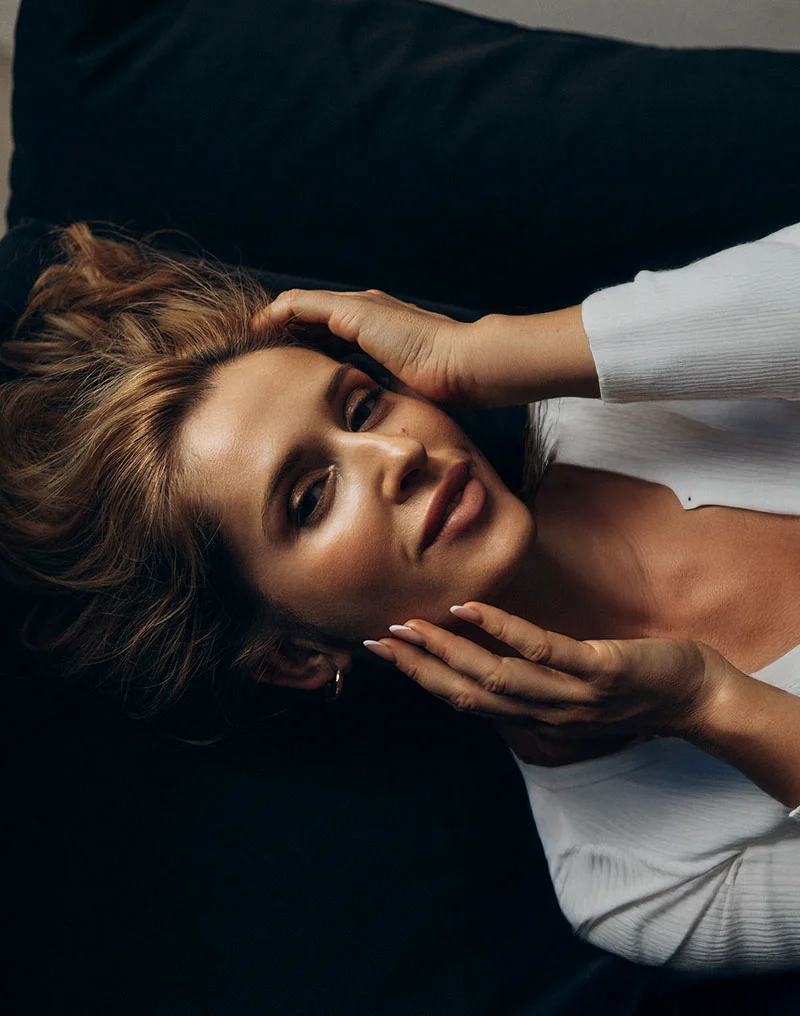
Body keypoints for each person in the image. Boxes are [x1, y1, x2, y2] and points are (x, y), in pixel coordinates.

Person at [1, 221, 799, 973]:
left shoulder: (621, 386)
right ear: (293, 656)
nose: (395, 453)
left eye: (362, 406)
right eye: (311, 499)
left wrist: (488, 349)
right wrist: (706, 702)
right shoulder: (637, 882)